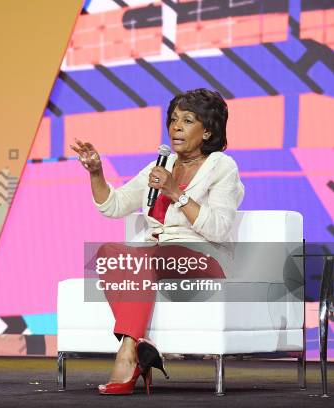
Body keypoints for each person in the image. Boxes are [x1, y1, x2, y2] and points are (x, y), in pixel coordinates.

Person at [71, 88, 244, 395]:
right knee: (108, 252)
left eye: (187, 120)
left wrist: (177, 191)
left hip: (201, 256)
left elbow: (218, 228)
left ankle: (127, 354)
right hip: (156, 255)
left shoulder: (221, 166)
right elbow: (114, 205)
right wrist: (96, 173)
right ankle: (136, 348)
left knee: (142, 257)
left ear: (207, 131)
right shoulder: (159, 167)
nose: (176, 127)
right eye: (173, 119)